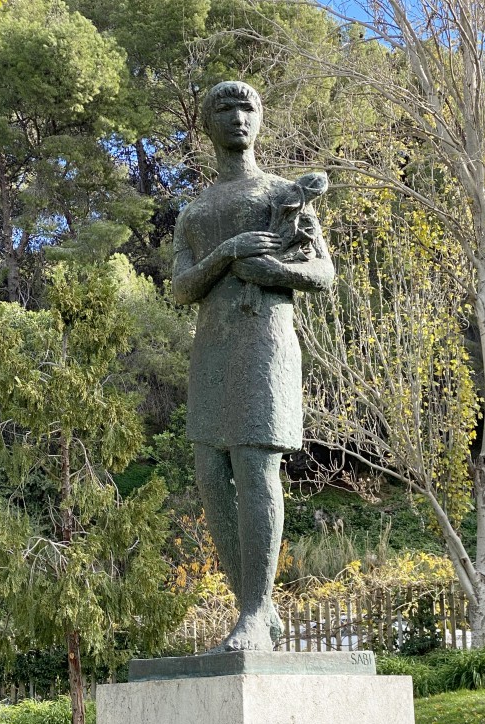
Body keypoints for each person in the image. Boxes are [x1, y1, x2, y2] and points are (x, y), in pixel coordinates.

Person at [173, 81, 334, 651]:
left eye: (248, 108)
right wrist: (229, 251)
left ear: (260, 120)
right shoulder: (194, 211)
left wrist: (274, 274)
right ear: (207, 125)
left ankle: (256, 610)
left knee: (254, 467)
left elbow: (322, 274)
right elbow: (180, 289)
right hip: (212, 349)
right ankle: (254, 610)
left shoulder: (286, 195)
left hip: (265, 344)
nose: (238, 117)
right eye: (225, 109)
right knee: (211, 479)